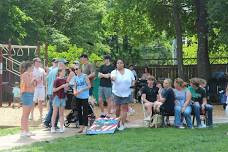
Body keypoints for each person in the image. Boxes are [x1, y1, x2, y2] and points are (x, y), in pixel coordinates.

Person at [111, 59, 135, 131]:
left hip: (127, 93)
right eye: (118, 63)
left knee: (124, 108)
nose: (119, 64)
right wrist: (112, 78)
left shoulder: (129, 72)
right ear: (116, 64)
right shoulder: (114, 72)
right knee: (117, 109)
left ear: (123, 64)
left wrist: (133, 85)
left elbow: (133, 80)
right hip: (116, 93)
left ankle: (123, 125)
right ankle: (117, 123)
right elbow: (112, 78)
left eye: (121, 63)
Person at [43, 60, 66, 128]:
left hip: (50, 91)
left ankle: (47, 122)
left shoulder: (51, 70)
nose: (64, 66)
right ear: (61, 65)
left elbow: (46, 79)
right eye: (64, 64)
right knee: (56, 109)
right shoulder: (59, 72)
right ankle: (53, 124)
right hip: (56, 93)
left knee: (52, 109)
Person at [73, 63, 91, 133]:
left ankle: (86, 126)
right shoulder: (75, 77)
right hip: (78, 96)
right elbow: (74, 86)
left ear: (80, 69)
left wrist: (81, 90)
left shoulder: (85, 76)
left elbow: (89, 86)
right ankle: (81, 127)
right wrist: (75, 91)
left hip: (84, 97)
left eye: (77, 69)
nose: (75, 70)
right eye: (74, 69)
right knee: (79, 111)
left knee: (85, 112)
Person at [20, 61, 36, 137]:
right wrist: (33, 79)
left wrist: (34, 80)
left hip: (31, 94)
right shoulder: (25, 74)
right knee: (25, 114)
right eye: (32, 67)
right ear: (29, 67)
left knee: (27, 114)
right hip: (26, 94)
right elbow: (28, 84)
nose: (33, 68)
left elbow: (34, 85)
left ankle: (27, 131)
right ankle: (23, 131)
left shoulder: (31, 74)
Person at [51, 69, 68, 133]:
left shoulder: (64, 80)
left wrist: (66, 88)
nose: (64, 72)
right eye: (63, 71)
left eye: (64, 71)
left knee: (61, 113)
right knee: (55, 112)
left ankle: (61, 127)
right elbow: (54, 90)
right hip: (57, 97)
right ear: (59, 72)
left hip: (63, 97)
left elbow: (65, 89)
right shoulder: (56, 80)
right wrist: (62, 86)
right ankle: (52, 127)